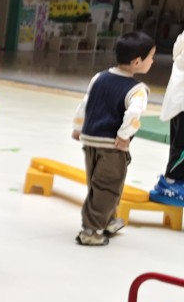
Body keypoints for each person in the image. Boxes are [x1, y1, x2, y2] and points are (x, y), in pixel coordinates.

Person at [72, 31, 156, 246]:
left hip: (90, 140)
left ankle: (108, 220)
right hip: (112, 146)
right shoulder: (137, 90)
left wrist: (78, 127)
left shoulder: (99, 78)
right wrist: (123, 136)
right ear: (137, 62)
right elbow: (133, 114)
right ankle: (90, 231)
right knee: (108, 187)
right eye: (151, 57)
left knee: (97, 183)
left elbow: (86, 103)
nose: (153, 61)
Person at [150, 30, 184, 204]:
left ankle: (174, 181)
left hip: (179, 101)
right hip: (181, 103)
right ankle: (170, 183)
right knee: (181, 148)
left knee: (179, 145)